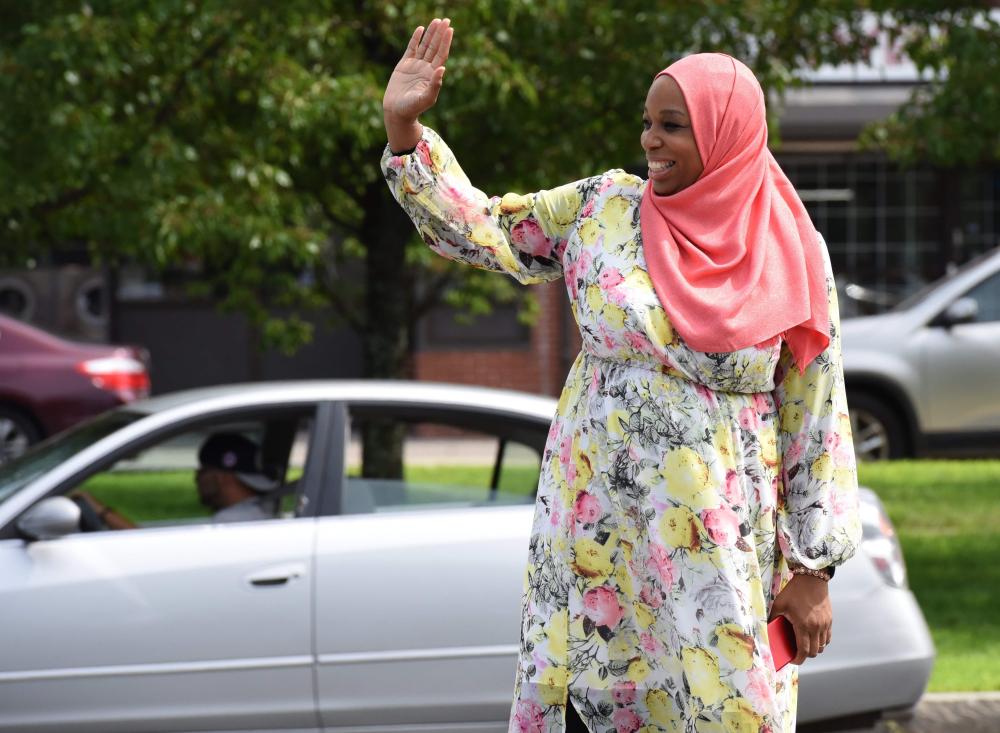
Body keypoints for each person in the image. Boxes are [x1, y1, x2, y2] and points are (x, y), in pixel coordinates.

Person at [381, 18, 862, 733]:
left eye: (673, 125)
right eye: (647, 123)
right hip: (594, 538)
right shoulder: (605, 208)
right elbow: (484, 228)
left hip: (712, 552)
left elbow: (817, 418)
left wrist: (815, 568)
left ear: (727, 133)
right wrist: (404, 132)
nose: (649, 141)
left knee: (725, 710)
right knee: (590, 702)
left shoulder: (790, 250)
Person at [73, 432, 280, 529]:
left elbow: (155, 554)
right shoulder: (255, 513)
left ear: (223, 477)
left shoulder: (233, 524)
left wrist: (101, 511)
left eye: (202, 471)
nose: (195, 478)